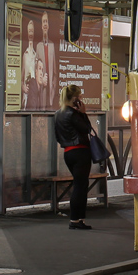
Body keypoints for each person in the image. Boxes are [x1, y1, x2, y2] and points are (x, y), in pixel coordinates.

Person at [54, 84, 94, 230]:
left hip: (68, 153)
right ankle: (76, 220)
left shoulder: (58, 114)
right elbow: (87, 129)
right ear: (76, 99)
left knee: (79, 185)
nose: (82, 99)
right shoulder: (74, 114)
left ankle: (77, 219)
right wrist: (83, 113)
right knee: (81, 186)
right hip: (81, 152)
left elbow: (57, 136)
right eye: (81, 97)